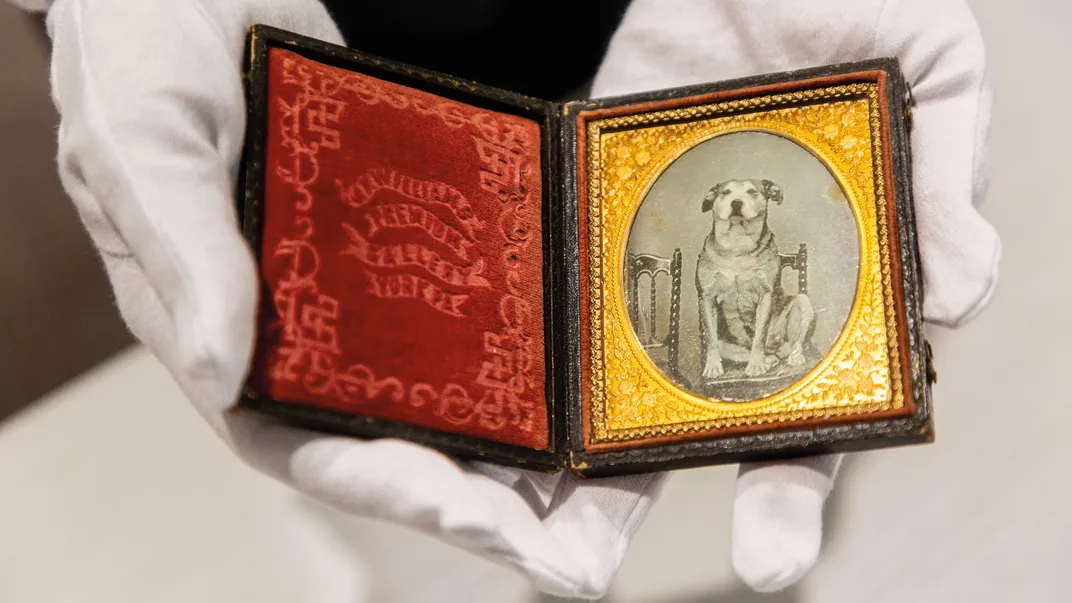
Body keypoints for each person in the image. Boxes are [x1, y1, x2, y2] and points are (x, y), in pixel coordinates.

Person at [8, 0, 999, 598]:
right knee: (433, 459)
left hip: (681, 35)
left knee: (755, 452)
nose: (739, 209)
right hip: (325, 45)